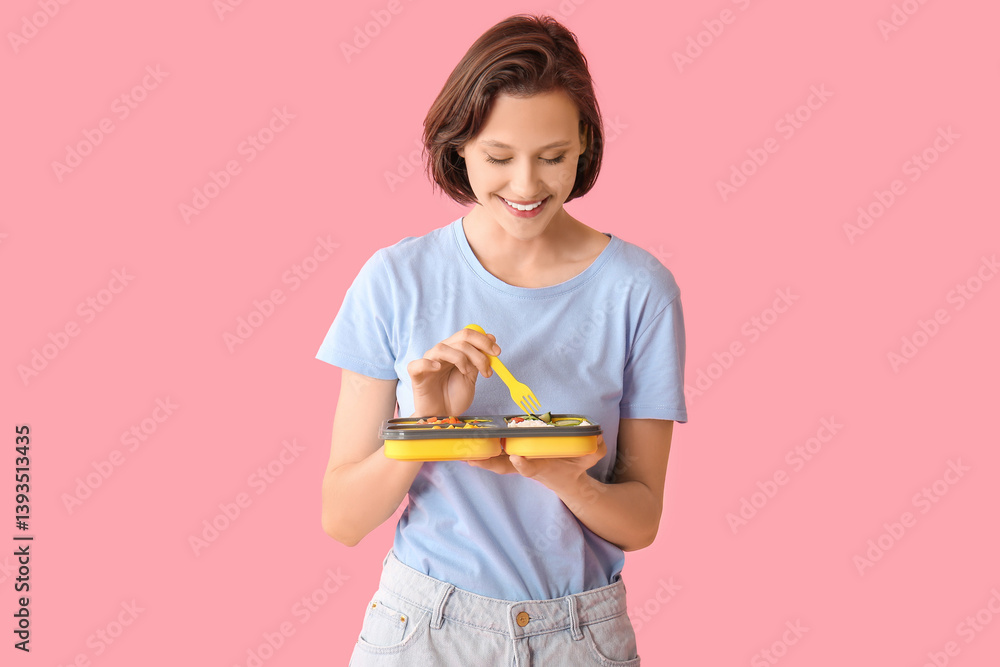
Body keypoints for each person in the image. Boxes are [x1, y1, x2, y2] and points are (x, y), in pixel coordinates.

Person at [316, 14, 687, 666]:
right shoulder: (395, 281)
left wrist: (567, 479)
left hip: (581, 634)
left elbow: (642, 519)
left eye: (553, 158)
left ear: (585, 146)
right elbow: (342, 519)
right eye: (497, 157)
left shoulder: (640, 290)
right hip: (423, 629)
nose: (525, 186)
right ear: (458, 147)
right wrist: (431, 425)